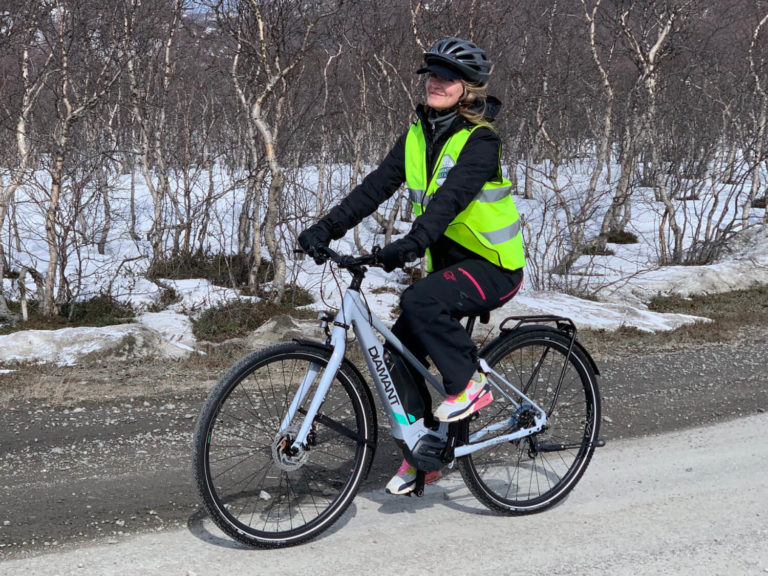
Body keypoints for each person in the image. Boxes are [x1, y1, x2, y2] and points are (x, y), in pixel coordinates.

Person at [298, 37, 525, 495]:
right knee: (396, 354)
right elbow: (374, 188)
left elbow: (450, 201)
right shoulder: (418, 135)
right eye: (433, 75)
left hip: (493, 265)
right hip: (450, 267)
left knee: (418, 300)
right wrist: (325, 228)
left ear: (469, 89)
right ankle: (426, 453)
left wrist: (413, 242)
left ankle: (470, 386)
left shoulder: (481, 141)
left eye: (449, 77)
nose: (437, 83)